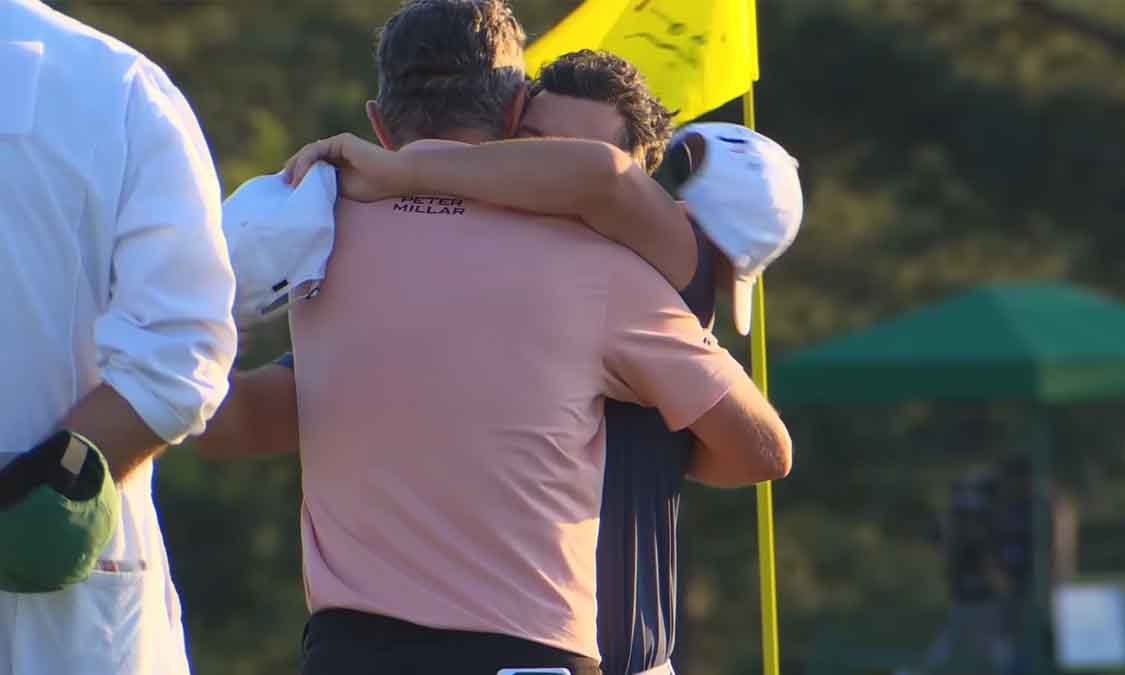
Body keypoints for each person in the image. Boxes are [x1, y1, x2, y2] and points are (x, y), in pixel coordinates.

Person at [200, 2, 792, 673]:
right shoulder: (605, 266)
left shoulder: (319, 241)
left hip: (349, 655)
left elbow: (233, 421)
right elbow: (764, 450)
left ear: (377, 122)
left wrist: (171, 339)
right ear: (514, 112)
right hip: (527, 658)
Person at [0, 2, 238, 674]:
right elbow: (178, 357)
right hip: (71, 614)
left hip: (60, 594)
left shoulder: (122, 89)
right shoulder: (118, 87)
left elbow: (179, 353)